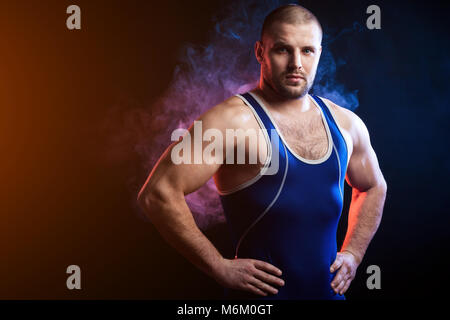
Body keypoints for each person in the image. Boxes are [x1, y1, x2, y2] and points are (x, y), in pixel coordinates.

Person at [137, 4, 387, 300]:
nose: (296, 62)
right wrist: (218, 266)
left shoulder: (346, 124)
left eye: (307, 51)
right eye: (283, 49)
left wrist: (353, 254)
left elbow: (373, 186)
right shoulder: (230, 122)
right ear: (260, 52)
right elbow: (158, 194)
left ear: (320, 53)